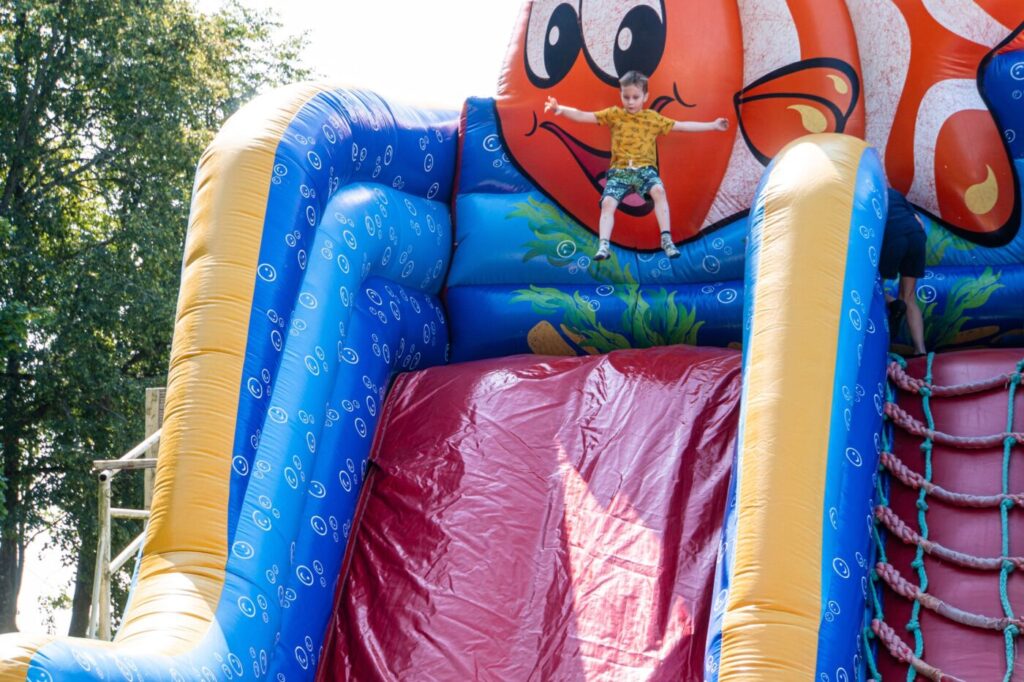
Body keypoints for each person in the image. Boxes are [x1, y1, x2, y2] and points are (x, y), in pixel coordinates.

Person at [544, 71, 729, 261]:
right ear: (621, 95)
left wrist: (713, 125)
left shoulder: (652, 118)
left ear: (645, 97)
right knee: (607, 203)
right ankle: (604, 245)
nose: (630, 102)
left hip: (644, 170)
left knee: (658, 190)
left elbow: (682, 126)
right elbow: (584, 115)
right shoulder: (614, 114)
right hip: (620, 172)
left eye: (635, 97)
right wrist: (560, 109)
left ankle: (666, 239)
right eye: (626, 97)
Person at [881, 187, 927, 355]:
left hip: (893, 235)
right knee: (909, 297)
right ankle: (920, 350)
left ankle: (893, 302)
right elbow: (920, 222)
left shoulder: (864, 191)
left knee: (873, 289)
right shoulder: (894, 193)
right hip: (916, 236)